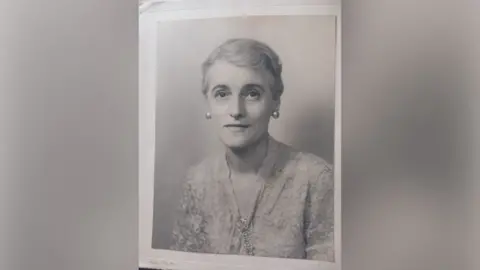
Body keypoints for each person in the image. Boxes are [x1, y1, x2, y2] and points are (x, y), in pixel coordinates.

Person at [170, 38, 334, 262]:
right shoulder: (196, 182)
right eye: (222, 93)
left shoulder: (315, 179)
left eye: (252, 93)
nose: (236, 110)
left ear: (275, 101)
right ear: (208, 103)